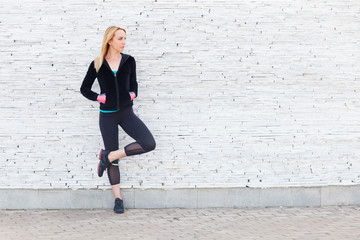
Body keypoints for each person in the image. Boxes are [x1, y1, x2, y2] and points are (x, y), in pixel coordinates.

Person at [80, 26, 156, 214]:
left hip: (126, 113)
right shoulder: (97, 63)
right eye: (120, 38)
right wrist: (98, 97)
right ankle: (118, 199)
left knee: (148, 143)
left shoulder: (129, 61)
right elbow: (84, 88)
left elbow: (134, 84)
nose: (124, 42)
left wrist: (132, 94)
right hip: (107, 116)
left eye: (124, 38)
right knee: (114, 163)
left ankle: (109, 155)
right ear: (110, 41)